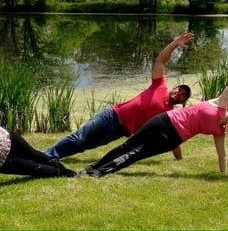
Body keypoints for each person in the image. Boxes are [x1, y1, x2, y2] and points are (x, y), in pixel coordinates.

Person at [82, 67, 228, 177]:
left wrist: (223, 174)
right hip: (163, 121)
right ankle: (93, 167)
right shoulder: (222, 103)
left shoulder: (219, 132)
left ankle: (100, 172)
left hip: (173, 137)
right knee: (129, 144)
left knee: (137, 154)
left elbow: (221, 156)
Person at [44, 32, 194, 160]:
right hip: (112, 115)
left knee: (83, 145)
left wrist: (179, 158)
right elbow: (160, 61)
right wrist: (175, 44)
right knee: (79, 137)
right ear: (174, 87)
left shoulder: (169, 113)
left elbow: (173, 136)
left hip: (120, 131)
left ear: (182, 102)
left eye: (183, 95)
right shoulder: (160, 86)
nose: (179, 93)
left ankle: (53, 156)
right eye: (179, 89)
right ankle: (45, 156)